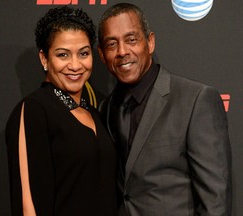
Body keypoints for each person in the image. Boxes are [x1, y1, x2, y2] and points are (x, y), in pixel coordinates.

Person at [98, 3, 232, 216]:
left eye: (131, 39)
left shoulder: (195, 99)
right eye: (112, 44)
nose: (122, 51)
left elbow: (215, 201)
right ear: (102, 54)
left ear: (150, 42)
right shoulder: (106, 109)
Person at [5, 6, 117, 216]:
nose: (75, 65)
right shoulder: (33, 110)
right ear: (44, 59)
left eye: (83, 53)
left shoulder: (95, 112)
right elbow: (28, 204)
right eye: (63, 55)